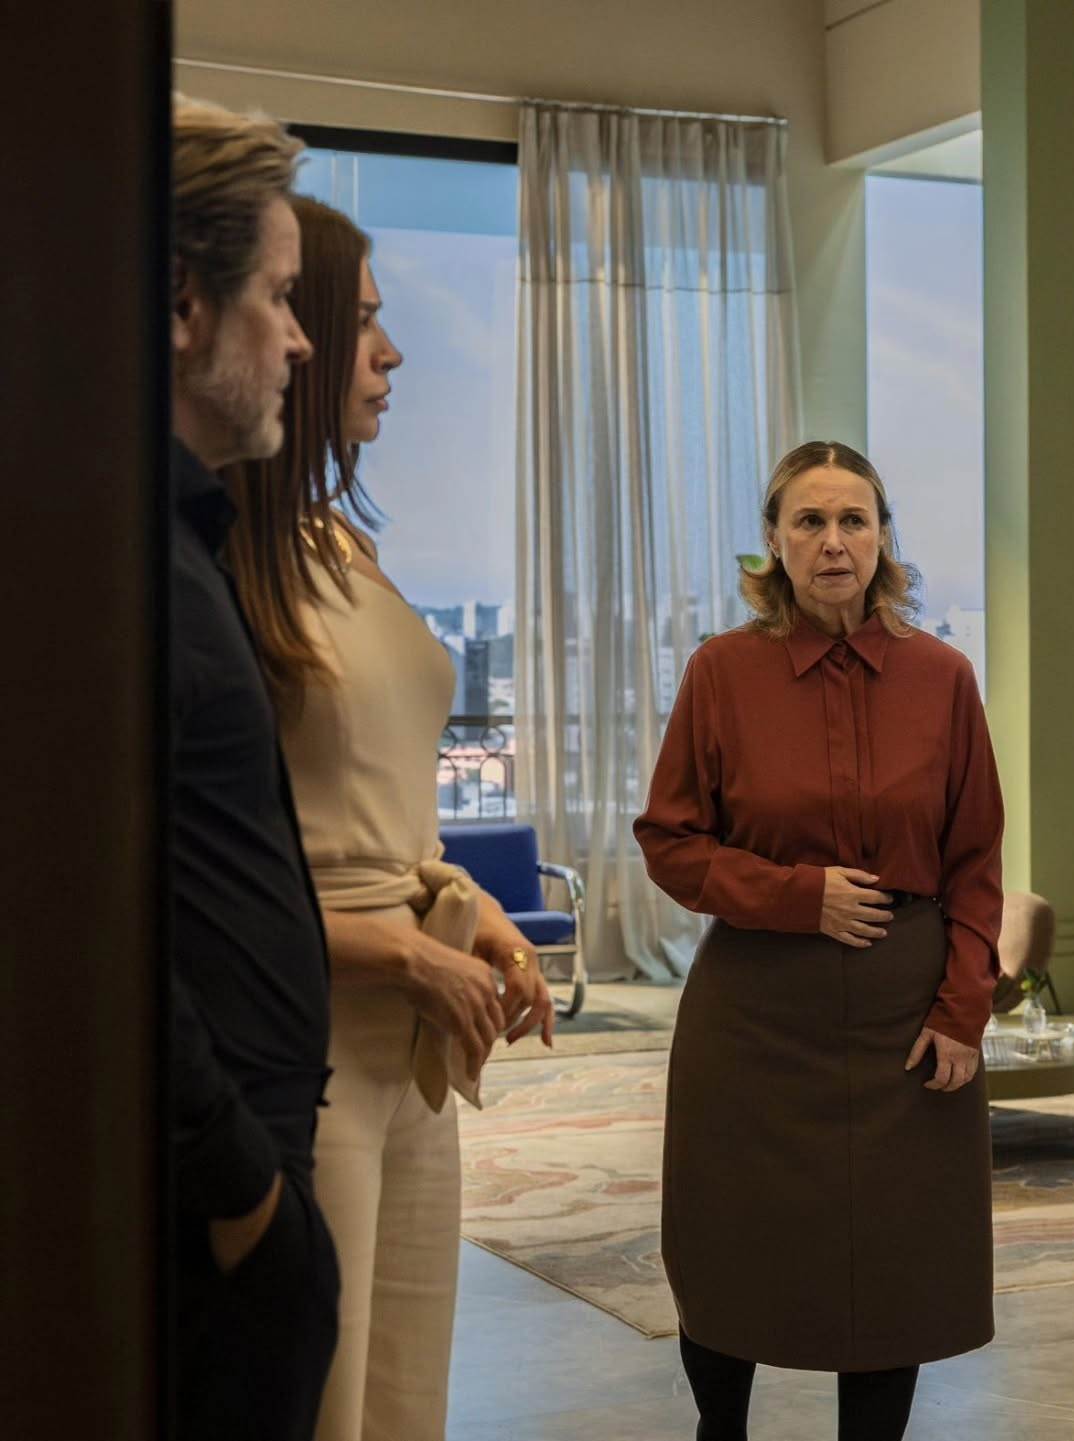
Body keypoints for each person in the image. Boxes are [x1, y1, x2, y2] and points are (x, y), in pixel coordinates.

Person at [226, 195, 556, 1441]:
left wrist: (479, 929)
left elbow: (382, 797)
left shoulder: (337, 544)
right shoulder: (219, 558)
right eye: (361, 321)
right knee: (319, 1399)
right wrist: (404, 950)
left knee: (407, 1400)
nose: (390, 352)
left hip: (415, 1048)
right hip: (302, 1032)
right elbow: (196, 876)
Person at [634, 440, 1004, 1441]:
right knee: (731, 1245)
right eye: (810, 521)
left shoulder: (944, 678)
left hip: (906, 1017)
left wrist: (964, 1009)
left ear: (882, 539)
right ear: (774, 540)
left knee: (893, 1265)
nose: (833, 541)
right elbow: (670, 841)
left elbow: (977, 859)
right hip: (754, 1015)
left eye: (853, 520)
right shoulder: (720, 673)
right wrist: (801, 896)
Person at [170, 98, 339, 1441]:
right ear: (184, 303)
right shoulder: (113, 562)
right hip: (200, 1219)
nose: (301, 339)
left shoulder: (181, 544)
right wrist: (242, 1190)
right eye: (279, 297)